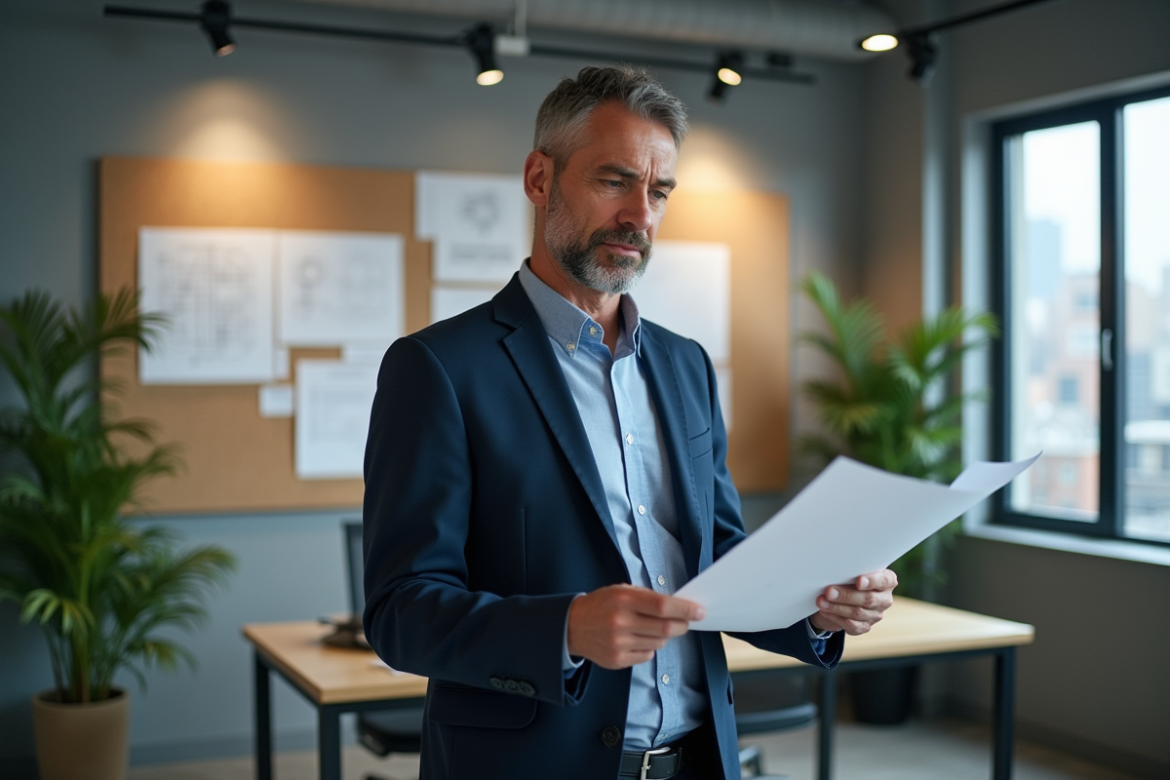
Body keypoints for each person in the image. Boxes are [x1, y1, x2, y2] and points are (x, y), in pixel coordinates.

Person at [363, 66, 896, 780]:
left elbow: (719, 567)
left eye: (660, 191)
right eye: (614, 181)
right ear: (538, 178)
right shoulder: (437, 368)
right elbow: (401, 612)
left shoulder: (686, 366)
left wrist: (817, 608)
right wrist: (564, 628)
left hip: (698, 762)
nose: (640, 216)